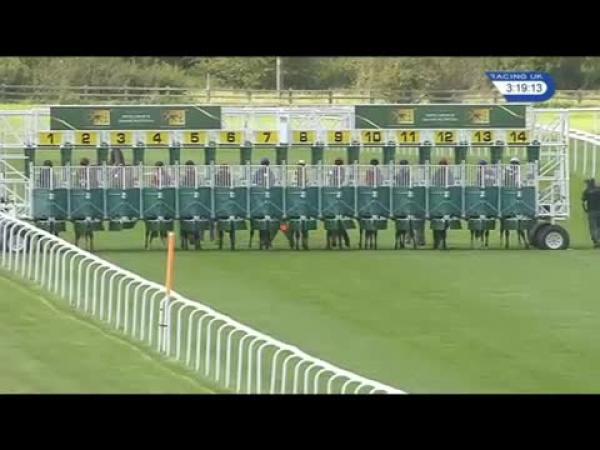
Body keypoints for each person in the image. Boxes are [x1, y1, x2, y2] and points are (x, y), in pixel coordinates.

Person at [582, 178, 600, 247]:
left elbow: (583, 202)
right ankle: (598, 239)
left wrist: (585, 209)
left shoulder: (587, 191)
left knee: (593, 227)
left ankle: (596, 241)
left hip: (591, 211)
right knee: (598, 226)